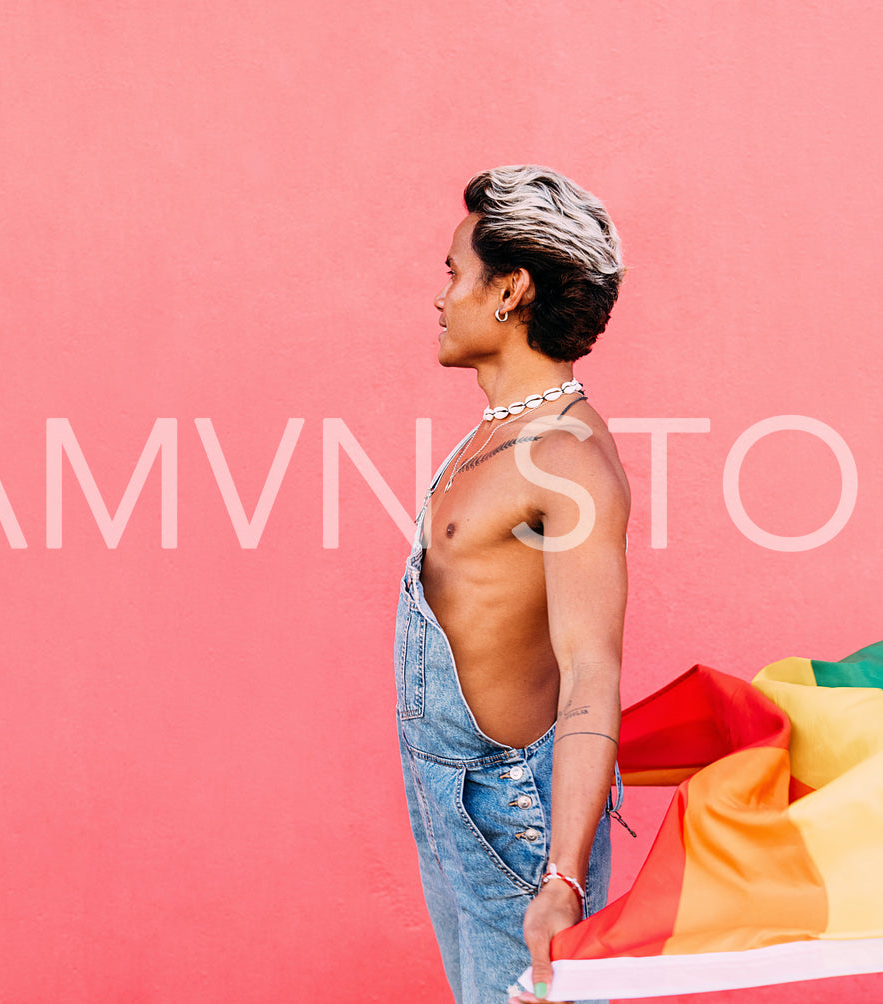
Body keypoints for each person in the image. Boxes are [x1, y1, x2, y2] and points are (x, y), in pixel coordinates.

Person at [394, 165, 630, 1004]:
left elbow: (589, 670)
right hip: (448, 800)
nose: (439, 296)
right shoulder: (500, 434)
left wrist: (561, 875)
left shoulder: (565, 459)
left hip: (510, 819)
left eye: (454, 272)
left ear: (510, 290)